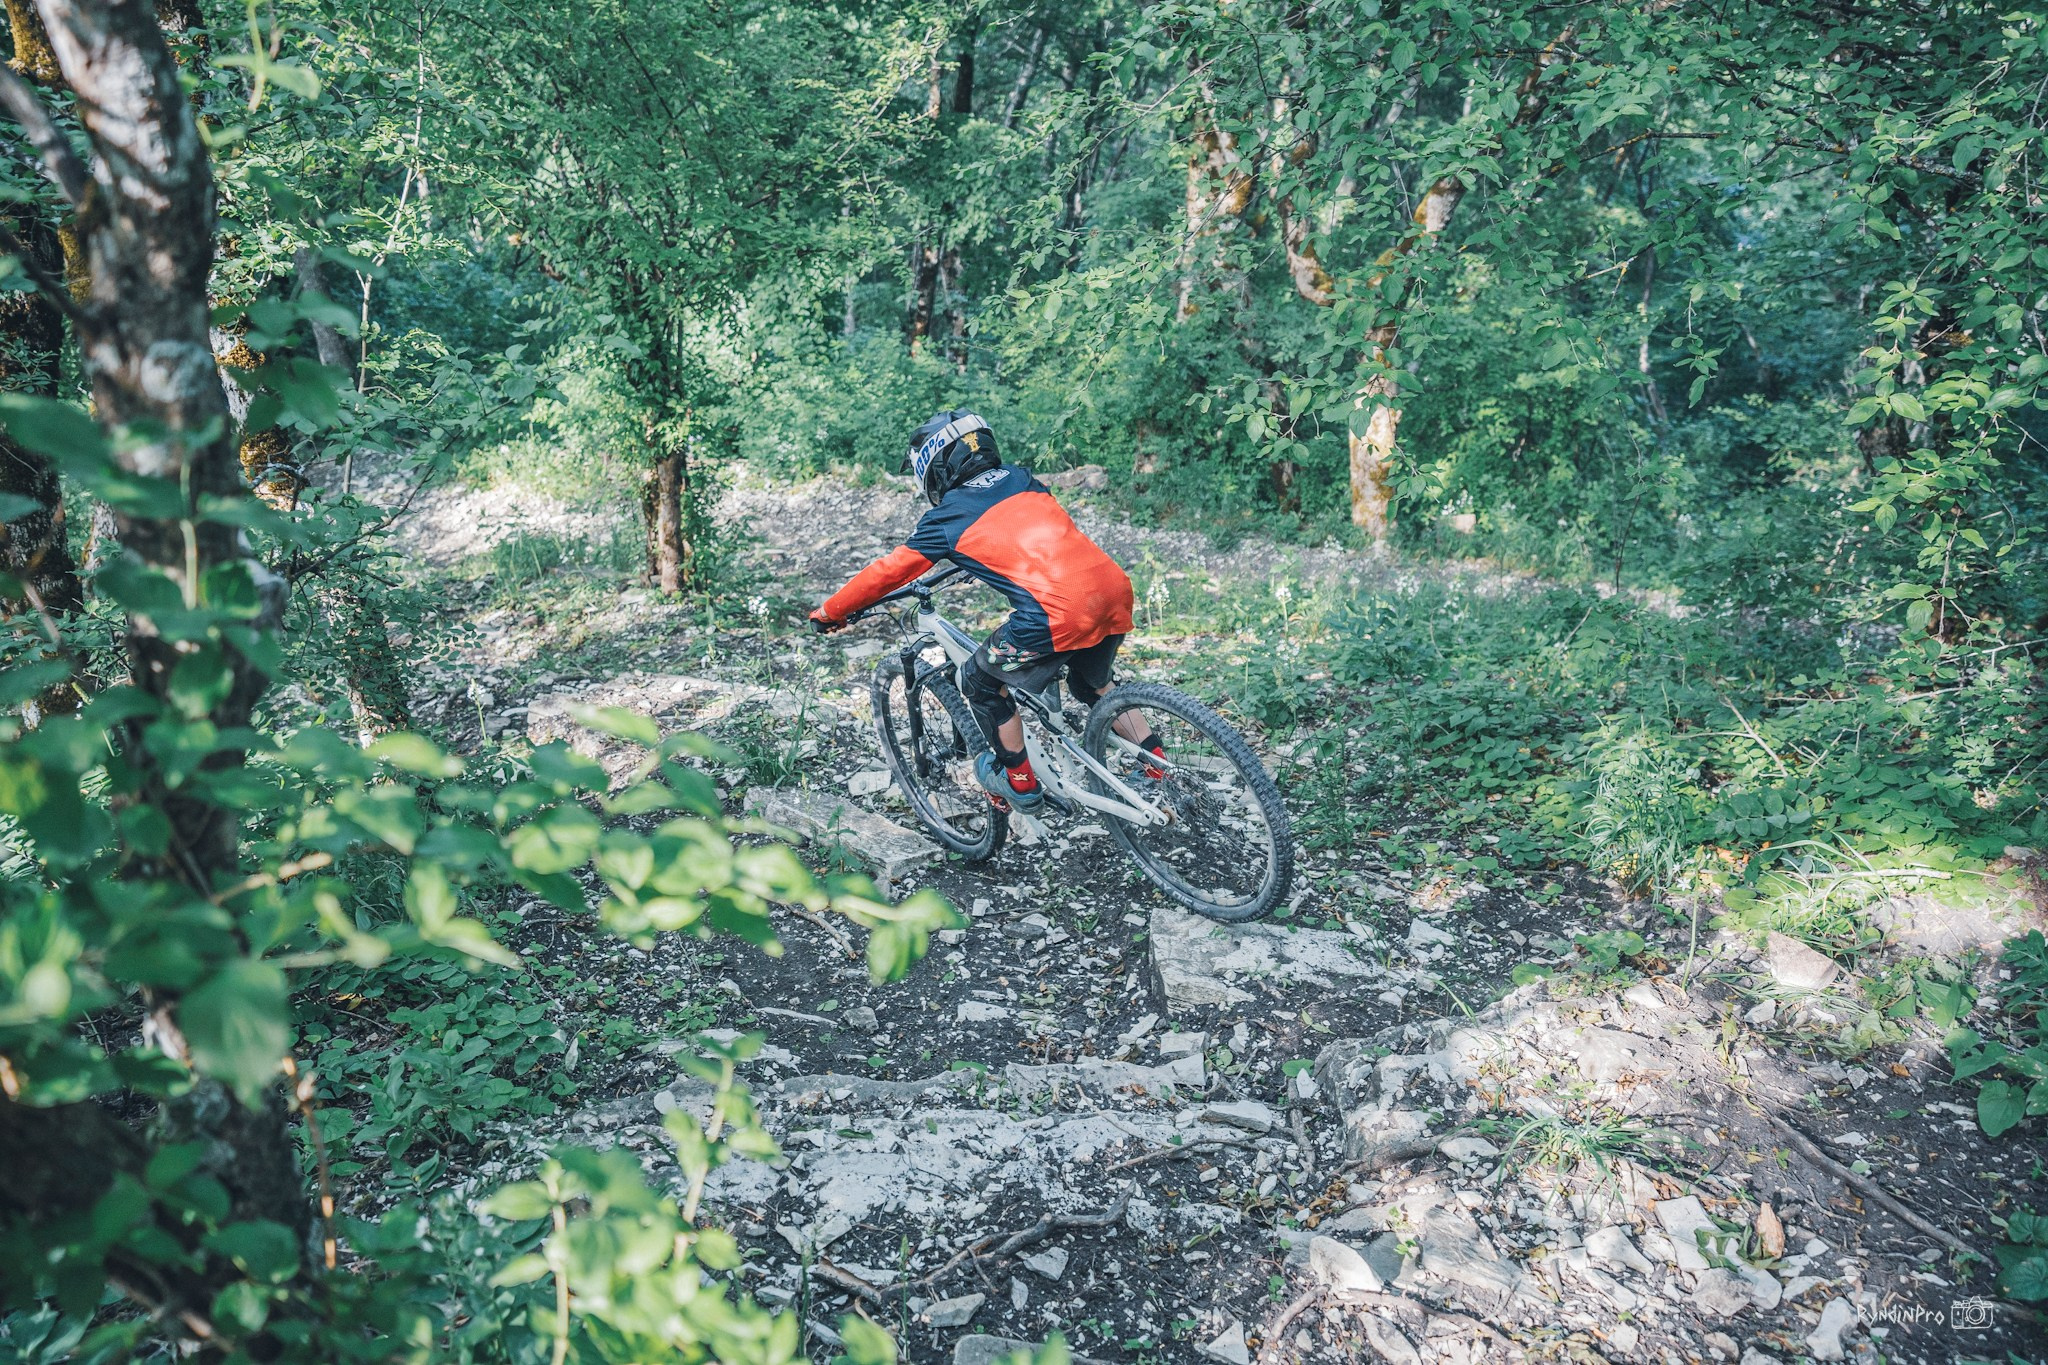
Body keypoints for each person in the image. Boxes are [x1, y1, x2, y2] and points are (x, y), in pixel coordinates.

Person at [809, 409, 1163, 813]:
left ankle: (1020, 782)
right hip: (1112, 590)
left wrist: (831, 611)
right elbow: (1026, 533)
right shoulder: (1022, 479)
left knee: (978, 681)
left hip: (1055, 615)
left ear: (935, 468)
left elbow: (888, 573)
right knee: (1093, 684)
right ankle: (1157, 766)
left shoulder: (946, 518)